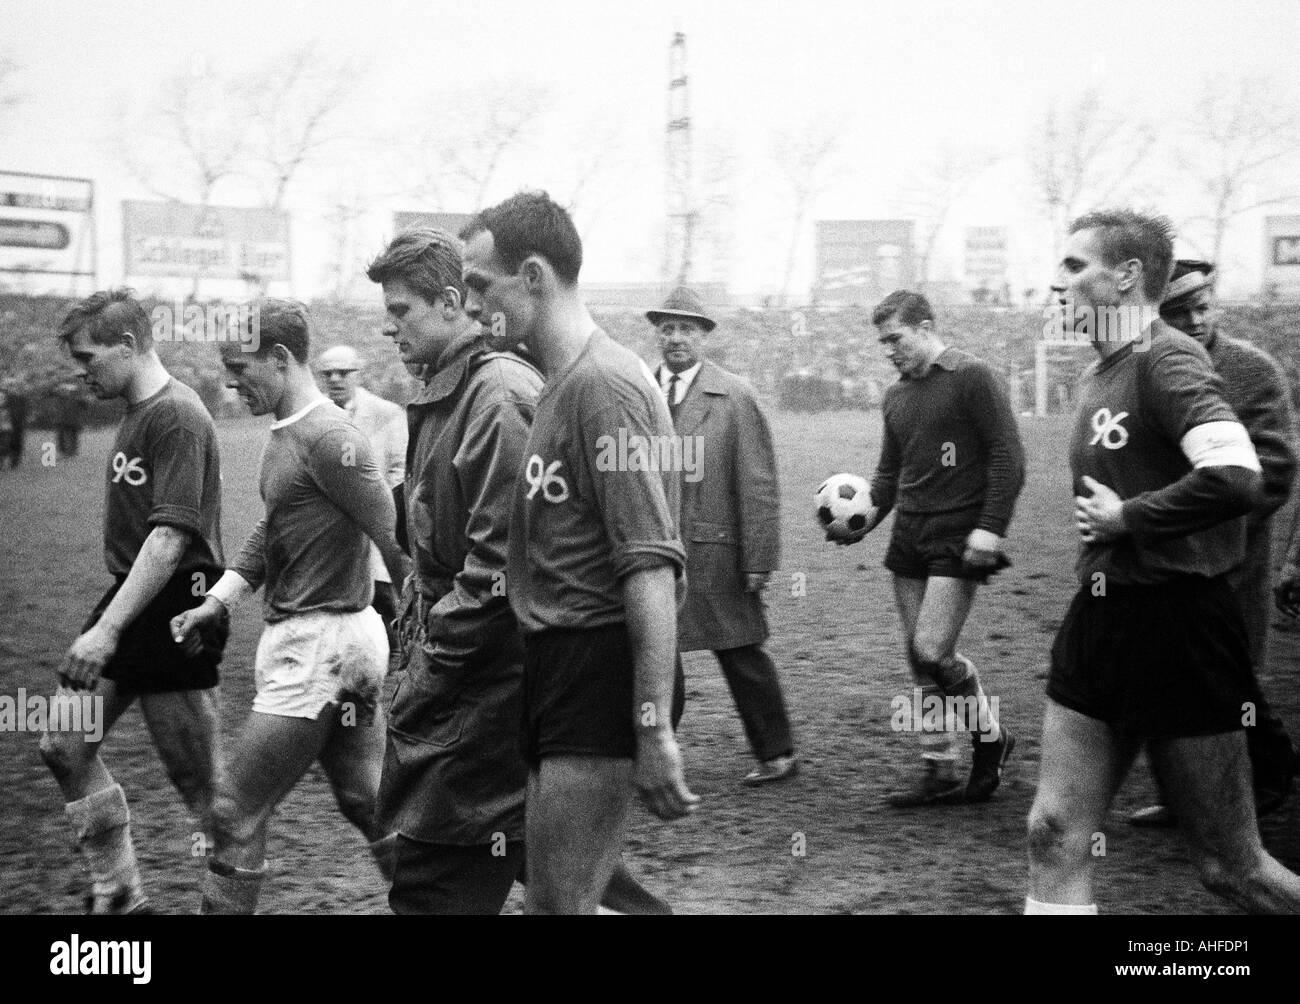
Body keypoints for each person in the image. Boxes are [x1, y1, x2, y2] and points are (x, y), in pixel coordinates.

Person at [1027, 208, 1300, 914]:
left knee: (1230, 868)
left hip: (1176, 623)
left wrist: (1131, 518)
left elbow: (1239, 473)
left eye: (1074, 266)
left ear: (1125, 277)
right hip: (1101, 616)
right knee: (1054, 833)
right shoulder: (1100, 371)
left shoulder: (1168, 357)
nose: (1059, 283)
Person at [460, 191, 698, 914]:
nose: (470, 306)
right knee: (560, 901)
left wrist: (651, 727)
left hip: (600, 666)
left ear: (532, 275)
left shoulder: (605, 387)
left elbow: (651, 567)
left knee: (561, 904)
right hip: (557, 663)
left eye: (479, 286)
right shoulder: (557, 383)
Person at [171, 299, 405, 914]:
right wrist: (218, 601)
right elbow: (273, 531)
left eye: (238, 367)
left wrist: (428, 629)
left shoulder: (331, 437)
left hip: (319, 648)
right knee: (364, 798)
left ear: (278, 358)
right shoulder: (293, 432)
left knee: (234, 811)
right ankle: (446, 903)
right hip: (341, 645)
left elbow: (395, 535)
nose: (229, 381)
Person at [39, 288, 228, 914]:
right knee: (62, 744)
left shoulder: (176, 414)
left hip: (175, 606)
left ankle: (223, 902)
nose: (82, 371)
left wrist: (106, 630)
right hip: (132, 596)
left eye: (89, 357)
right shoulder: (140, 409)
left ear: (127, 345)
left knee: (202, 790)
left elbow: (172, 537)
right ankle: (118, 895)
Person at [1128, 259, 1298, 826]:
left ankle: (1265, 779)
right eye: (1180, 312)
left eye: (1204, 306)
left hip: (1232, 557)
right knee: (1165, 673)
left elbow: (1274, 468)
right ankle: (1185, 796)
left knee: (1232, 677)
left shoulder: (1252, 369)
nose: (1197, 320)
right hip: (1160, 553)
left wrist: (1206, 527)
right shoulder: (1146, 366)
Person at [840, 290, 1024, 806]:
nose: (888, 350)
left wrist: (990, 529)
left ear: (925, 327)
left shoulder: (972, 377)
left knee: (931, 648)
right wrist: (862, 520)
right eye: (882, 342)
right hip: (909, 536)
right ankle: (940, 767)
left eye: (895, 338)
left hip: (957, 535)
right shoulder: (896, 395)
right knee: (918, 660)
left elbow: (1008, 455)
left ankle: (990, 738)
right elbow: (889, 474)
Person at [647, 286, 798, 785]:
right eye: (667, 328)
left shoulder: (734, 395)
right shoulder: (639, 391)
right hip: (651, 551)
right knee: (653, 651)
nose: (675, 338)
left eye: (686, 328)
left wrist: (759, 558)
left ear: (704, 336)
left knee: (740, 650)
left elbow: (757, 484)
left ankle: (777, 752)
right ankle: (652, 752)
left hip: (715, 553)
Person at [316, 344, 407, 655]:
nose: (335, 379)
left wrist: (380, 502)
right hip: (330, 526)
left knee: (383, 592)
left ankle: (399, 650)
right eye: (328, 373)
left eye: (343, 372)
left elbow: (399, 469)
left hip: (376, 520)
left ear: (358, 374)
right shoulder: (315, 416)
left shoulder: (386, 412)